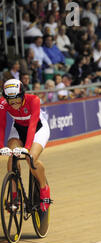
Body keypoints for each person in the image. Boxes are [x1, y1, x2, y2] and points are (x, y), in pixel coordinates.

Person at [0, 79, 51, 212]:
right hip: (18, 128)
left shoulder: (34, 100)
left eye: (17, 99)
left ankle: (44, 188)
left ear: (22, 95)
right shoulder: (2, 103)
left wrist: (27, 148)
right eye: (10, 100)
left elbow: (33, 125)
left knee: (30, 158)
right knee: (12, 156)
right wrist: (1, 146)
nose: (14, 103)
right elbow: (1, 125)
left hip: (38, 129)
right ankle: (15, 195)